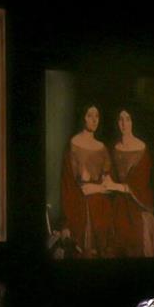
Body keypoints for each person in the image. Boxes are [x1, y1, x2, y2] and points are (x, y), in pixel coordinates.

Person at [98, 106, 154, 257]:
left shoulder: (142, 148)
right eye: (120, 119)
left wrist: (115, 186)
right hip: (117, 205)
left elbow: (140, 185)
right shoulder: (115, 148)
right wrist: (106, 178)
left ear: (133, 122)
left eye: (128, 119)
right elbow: (111, 175)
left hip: (137, 206)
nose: (124, 124)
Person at [57, 103, 112, 256]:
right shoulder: (73, 145)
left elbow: (109, 184)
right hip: (78, 206)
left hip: (101, 208)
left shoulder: (102, 148)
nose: (94, 120)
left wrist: (96, 188)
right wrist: (65, 223)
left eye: (97, 116)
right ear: (83, 117)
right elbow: (67, 185)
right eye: (90, 115)